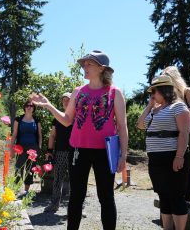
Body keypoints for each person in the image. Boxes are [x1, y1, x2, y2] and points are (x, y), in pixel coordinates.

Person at [31, 50, 128, 230]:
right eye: (84, 64)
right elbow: (67, 120)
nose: (85, 67)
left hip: (105, 152)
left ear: (101, 68)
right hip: (78, 151)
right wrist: (48, 105)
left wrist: (123, 154)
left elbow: (122, 125)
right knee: (76, 196)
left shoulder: (115, 92)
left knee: (106, 196)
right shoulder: (78, 92)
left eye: (89, 64)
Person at [137, 75, 190, 230]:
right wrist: (149, 106)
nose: (152, 95)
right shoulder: (154, 110)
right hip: (156, 158)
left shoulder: (178, 107)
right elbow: (140, 125)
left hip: (172, 156)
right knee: (163, 196)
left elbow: (184, 133)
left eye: (154, 92)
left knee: (176, 196)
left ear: (164, 90)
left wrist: (179, 156)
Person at [161, 66, 190, 210]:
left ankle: (187, 201)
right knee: (171, 170)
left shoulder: (187, 92)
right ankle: (173, 203)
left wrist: (177, 110)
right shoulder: (167, 94)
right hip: (169, 135)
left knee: (187, 170)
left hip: (186, 135)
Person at [44, 92, 72, 213]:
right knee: (57, 179)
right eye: (64, 100)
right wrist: (49, 151)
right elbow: (52, 135)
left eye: (68, 100)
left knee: (76, 181)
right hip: (60, 152)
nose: (66, 102)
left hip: (75, 153)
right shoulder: (57, 117)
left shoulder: (78, 117)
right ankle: (54, 205)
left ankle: (76, 208)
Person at [10, 99, 42, 197]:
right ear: (24, 107)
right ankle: (14, 191)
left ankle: (26, 192)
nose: (29, 107)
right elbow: (14, 135)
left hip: (33, 148)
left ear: (34, 108)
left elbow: (40, 135)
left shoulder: (37, 120)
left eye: (31, 106)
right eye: (27, 105)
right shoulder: (18, 119)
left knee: (30, 169)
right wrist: (11, 149)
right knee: (18, 168)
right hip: (20, 148)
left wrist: (39, 148)